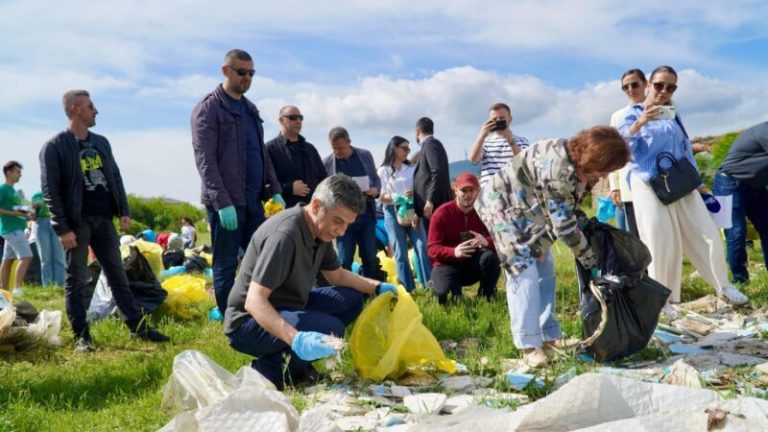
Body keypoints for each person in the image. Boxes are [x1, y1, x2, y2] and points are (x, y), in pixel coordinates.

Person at [225, 174, 397, 388]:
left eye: (347, 225)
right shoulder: (285, 236)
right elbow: (254, 301)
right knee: (330, 328)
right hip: (247, 322)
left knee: (352, 300)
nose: (341, 231)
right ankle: (267, 372)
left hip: (286, 304)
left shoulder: (319, 231)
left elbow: (338, 276)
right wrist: (297, 338)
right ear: (316, 206)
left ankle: (297, 365)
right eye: (338, 221)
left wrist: (378, 287)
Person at [477, 126, 630, 367]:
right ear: (592, 161)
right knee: (523, 271)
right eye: (604, 170)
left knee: (544, 265)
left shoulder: (575, 160)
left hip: (529, 207)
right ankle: (528, 345)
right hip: (502, 208)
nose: (602, 177)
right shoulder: (556, 169)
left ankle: (547, 335)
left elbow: (569, 207)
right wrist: (591, 259)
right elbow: (565, 226)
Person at [40, 89, 169, 351]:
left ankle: (137, 327)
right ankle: (81, 336)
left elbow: (115, 177)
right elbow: (50, 191)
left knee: (117, 275)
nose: (96, 111)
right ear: (76, 108)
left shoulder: (101, 143)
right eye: (90, 106)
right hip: (77, 223)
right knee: (76, 278)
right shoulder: (55, 147)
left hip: (103, 220)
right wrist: (62, 227)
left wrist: (123, 209)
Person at [618, 65, 748, 307]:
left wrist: (699, 185)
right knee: (660, 241)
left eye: (671, 87)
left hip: (680, 181)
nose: (664, 90)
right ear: (649, 85)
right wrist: (640, 122)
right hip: (647, 181)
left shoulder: (672, 113)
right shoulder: (630, 113)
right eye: (659, 85)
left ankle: (724, 288)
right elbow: (619, 144)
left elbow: (685, 148)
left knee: (707, 233)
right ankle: (664, 302)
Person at [191, 48, 285, 315]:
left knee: (264, 257)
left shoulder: (250, 110)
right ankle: (230, 319)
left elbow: (261, 153)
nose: (247, 78)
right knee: (225, 262)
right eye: (241, 72)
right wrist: (221, 202)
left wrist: (274, 190)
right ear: (226, 71)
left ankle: (258, 309)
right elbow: (205, 159)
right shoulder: (208, 109)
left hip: (253, 201)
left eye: (251, 73)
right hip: (227, 205)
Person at [428, 172, 499, 304]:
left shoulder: (484, 212)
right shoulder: (441, 214)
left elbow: (500, 238)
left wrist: (486, 241)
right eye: (463, 190)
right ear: (455, 190)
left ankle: (487, 295)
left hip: (473, 263)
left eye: (471, 190)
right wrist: (453, 252)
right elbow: (432, 249)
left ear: (478, 191)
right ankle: (454, 292)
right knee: (443, 297)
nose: (467, 195)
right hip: (446, 264)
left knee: (491, 258)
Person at [712, 122, 768, 284]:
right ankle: (740, 280)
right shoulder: (764, 131)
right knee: (736, 233)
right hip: (728, 184)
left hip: (755, 187)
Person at [323, 127, 381, 279]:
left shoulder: (365, 156)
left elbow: (375, 179)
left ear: (349, 142)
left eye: (341, 148)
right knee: (344, 260)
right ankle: (348, 296)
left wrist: (375, 190)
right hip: (342, 221)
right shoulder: (328, 163)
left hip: (366, 216)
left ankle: (372, 292)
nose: (337, 152)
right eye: (334, 148)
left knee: (370, 257)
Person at [377, 136, 431, 291]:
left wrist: (414, 194)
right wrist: (396, 197)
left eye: (409, 148)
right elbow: (380, 196)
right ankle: (408, 289)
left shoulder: (412, 169)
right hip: (393, 213)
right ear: (394, 149)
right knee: (400, 251)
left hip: (413, 210)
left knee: (422, 246)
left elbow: (422, 189)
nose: (408, 151)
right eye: (404, 148)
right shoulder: (383, 171)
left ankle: (430, 285)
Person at [608, 69, 647, 236]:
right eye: (625, 87)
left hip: (660, 182)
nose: (630, 89)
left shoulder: (663, 109)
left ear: (645, 84)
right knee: (634, 235)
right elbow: (613, 153)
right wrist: (614, 187)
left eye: (634, 84)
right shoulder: (618, 116)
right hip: (630, 183)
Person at [266, 105, 327, 209]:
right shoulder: (270, 149)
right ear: (281, 120)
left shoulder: (310, 149)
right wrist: (289, 188)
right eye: (293, 117)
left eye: (300, 118)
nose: (298, 121)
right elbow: (264, 184)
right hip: (285, 212)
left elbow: (323, 178)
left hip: (313, 210)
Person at [469, 102, 530, 186]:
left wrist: (510, 140)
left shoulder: (522, 141)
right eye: (494, 120)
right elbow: (473, 160)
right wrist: (481, 136)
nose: (498, 121)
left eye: (502, 118)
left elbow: (524, 162)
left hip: (515, 189)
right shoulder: (485, 142)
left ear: (510, 118)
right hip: (490, 191)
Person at [412, 117, 452, 235]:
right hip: (429, 208)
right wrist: (418, 213)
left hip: (435, 206)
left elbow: (437, 171)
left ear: (417, 131)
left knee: (437, 243)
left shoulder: (430, 145)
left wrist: (430, 200)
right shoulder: (430, 145)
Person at [0, 161, 33, 293]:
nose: (20, 175)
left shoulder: (14, 191)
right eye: (17, 172)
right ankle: (18, 290)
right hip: (11, 229)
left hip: (16, 228)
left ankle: (3, 291)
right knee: (26, 257)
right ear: (9, 172)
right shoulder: (3, 189)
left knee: (7, 260)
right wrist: (13, 213)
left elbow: (16, 209)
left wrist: (26, 215)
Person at [30, 191, 66, 287]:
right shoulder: (36, 195)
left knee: (59, 256)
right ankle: (48, 285)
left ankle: (60, 285)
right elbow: (32, 217)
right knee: (45, 258)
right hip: (41, 223)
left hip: (57, 222)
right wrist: (32, 209)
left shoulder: (60, 193)